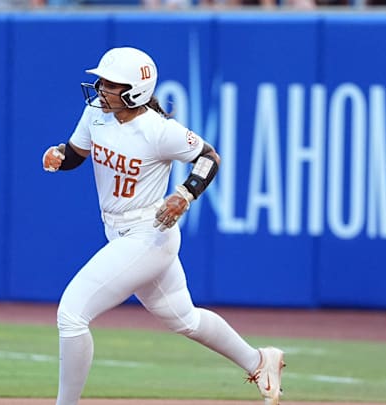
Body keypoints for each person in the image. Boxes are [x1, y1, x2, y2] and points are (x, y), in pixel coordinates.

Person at [41, 46, 285, 405]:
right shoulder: (94, 115)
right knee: (185, 319)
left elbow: (208, 156)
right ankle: (260, 360)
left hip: (148, 233)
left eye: (110, 84)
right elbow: (76, 154)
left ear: (134, 91)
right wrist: (60, 156)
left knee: (72, 313)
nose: (101, 89)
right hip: (122, 232)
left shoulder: (157, 130)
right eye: (102, 82)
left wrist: (185, 194)